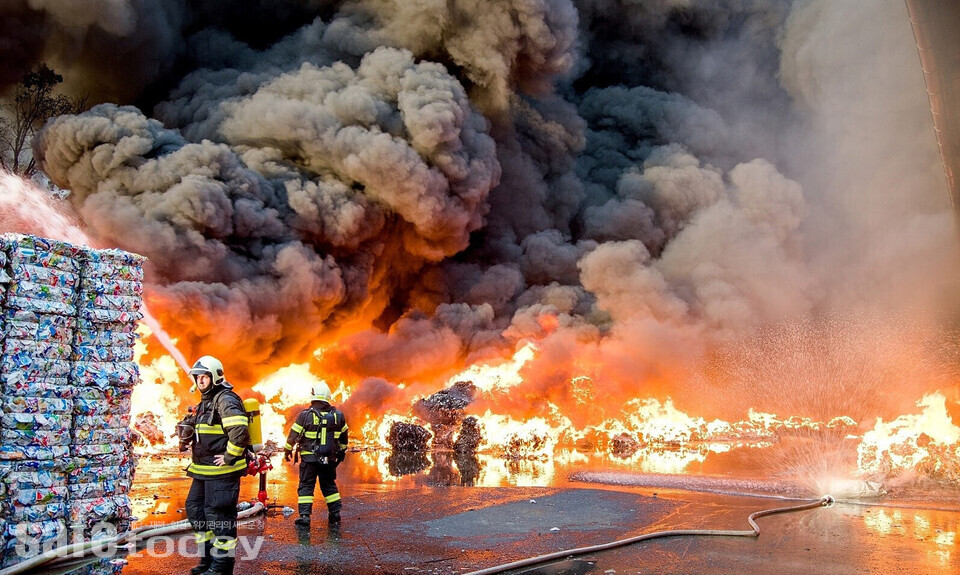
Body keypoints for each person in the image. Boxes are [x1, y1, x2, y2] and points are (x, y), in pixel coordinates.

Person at [178, 355, 249, 575]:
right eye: (197, 377)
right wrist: (185, 432)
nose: (200, 381)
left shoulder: (226, 399)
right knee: (196, 511)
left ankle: (221, 568)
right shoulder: (206, 402)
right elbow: (200, 425)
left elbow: (239, 432)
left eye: (204, 377)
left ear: (215, 377)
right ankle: (207, 561)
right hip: (202, 470)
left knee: (219, 518)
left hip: (221, 472)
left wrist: (229, 457)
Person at [283, 381, 349, 526]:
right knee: (329, 485)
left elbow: (293, 435)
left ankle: (305, 516)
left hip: (309, 459)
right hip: (329, 459)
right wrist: (341, 451)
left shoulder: (305, 415)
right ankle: (335, 514)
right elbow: (344, 438)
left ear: (313, 396)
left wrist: (287, 450)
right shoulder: (338, 416)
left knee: (306, 486)